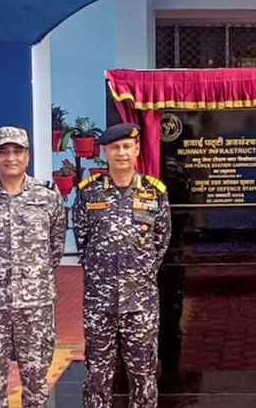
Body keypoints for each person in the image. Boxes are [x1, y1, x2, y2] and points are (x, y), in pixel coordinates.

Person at [0, 126, 68, 408]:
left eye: (17, 151)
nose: (11, 157)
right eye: (3, 152)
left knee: (36, 384)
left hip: (36, 305)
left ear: (27, 156)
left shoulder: (47, 196)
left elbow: (55, 247)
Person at [73, 123, 172, 408]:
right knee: (97, 375)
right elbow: (83, 242)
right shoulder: (89, 193)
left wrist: (138, 273)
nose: (121, 153)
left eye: (127, 146)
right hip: (99, 304)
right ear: (105, 151)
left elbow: (161, 241)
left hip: (140, 304)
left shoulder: (155, 192)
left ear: (137, 149)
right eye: (115, 147)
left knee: (143, 375)